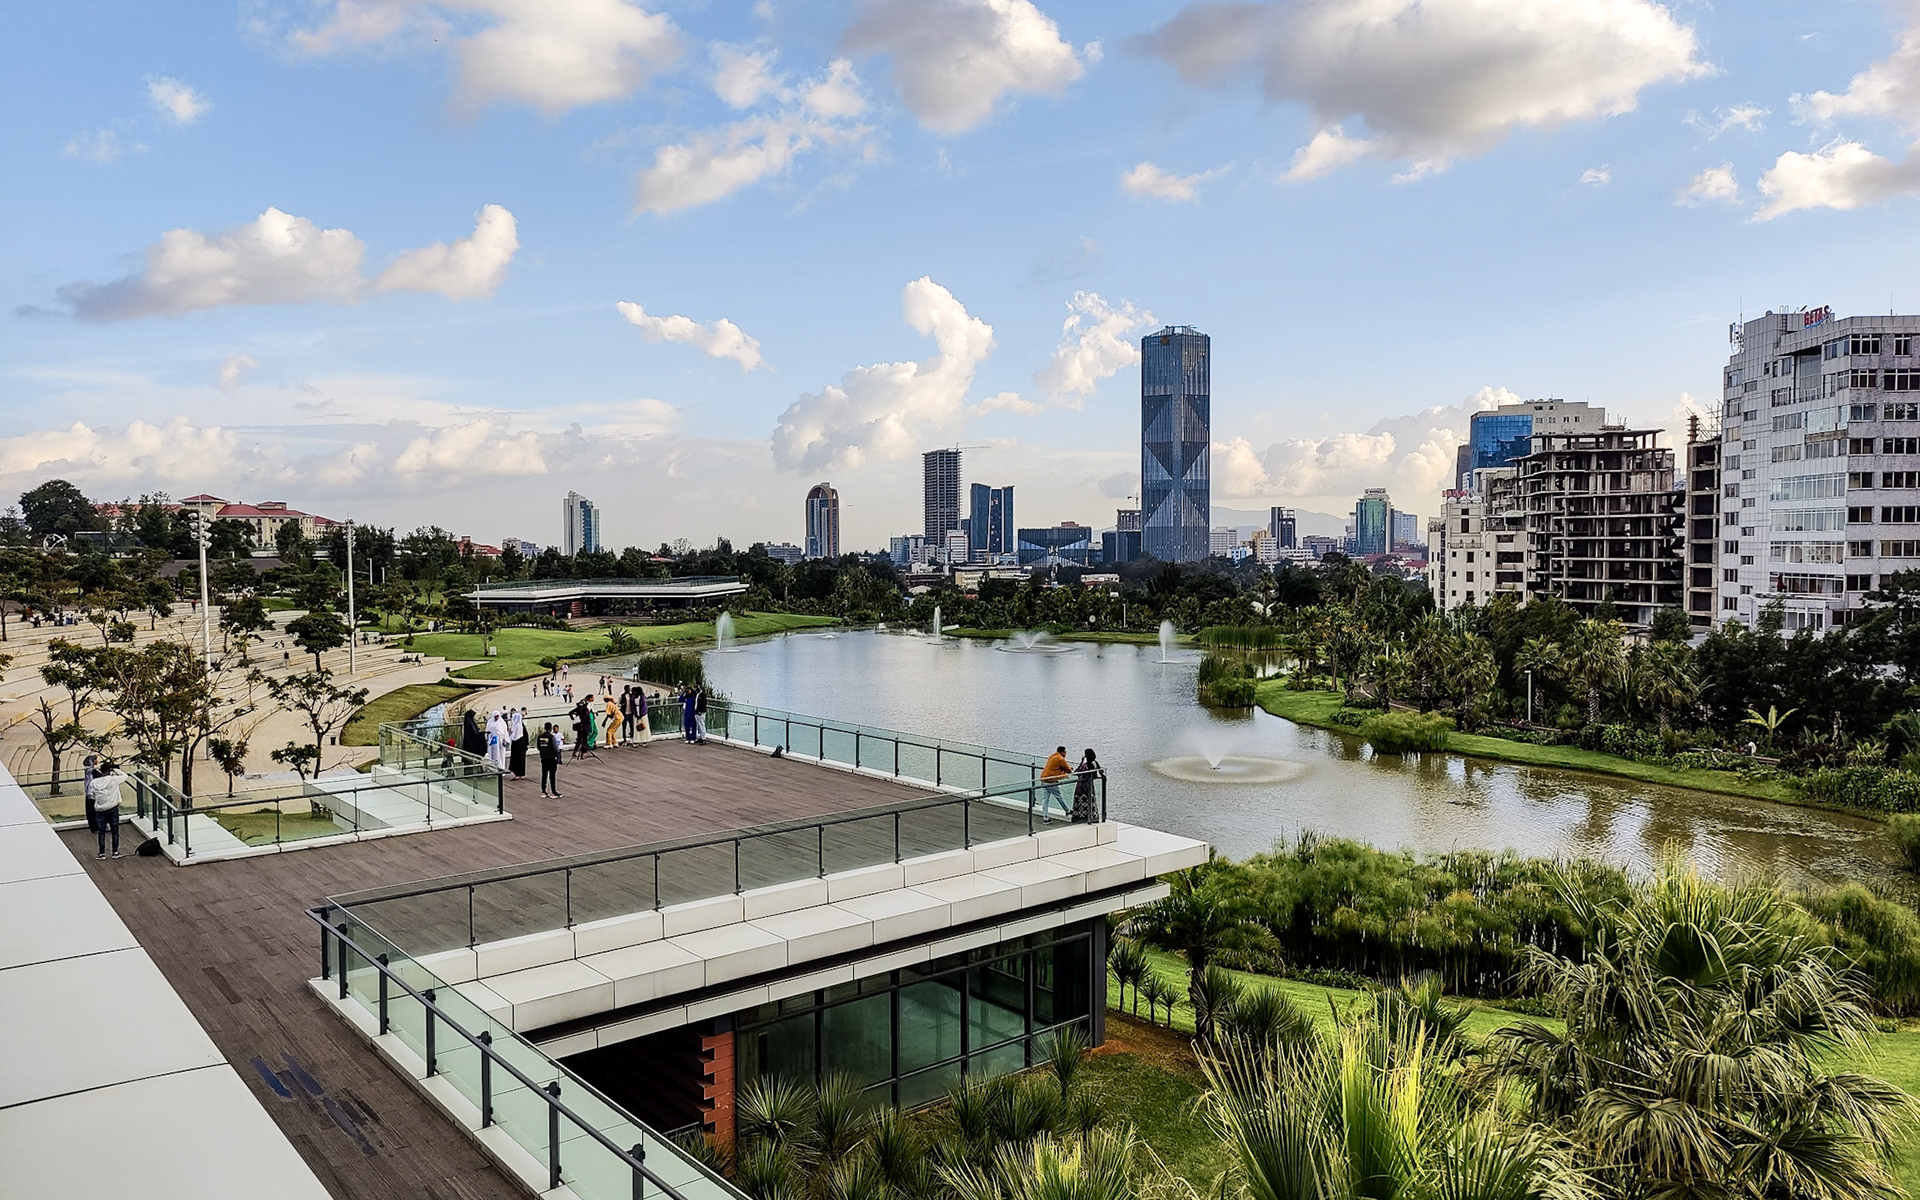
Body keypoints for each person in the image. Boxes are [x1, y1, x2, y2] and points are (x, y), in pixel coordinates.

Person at [89, 759, 129, 860]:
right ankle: (115, 852)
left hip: (100, 810)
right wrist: (115, 770)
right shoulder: (113, 780)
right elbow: (125, 776)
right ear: (109, 771)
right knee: (115, 831)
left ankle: (101, 853)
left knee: (101, 832)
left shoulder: (94, 782)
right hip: (112, 808)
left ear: (101, 771)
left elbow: (91, 795)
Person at [1039, 746, 1072, 824]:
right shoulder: (1060, 759)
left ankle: (1045, 817)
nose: (1066, 753)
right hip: (1051, 781)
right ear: (1062, 752)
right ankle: (1067, 810)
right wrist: (1068, 771)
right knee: (1058, 796)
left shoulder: (1052, 756)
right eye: (1065, 752)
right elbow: (1068, 769)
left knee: (1045, 799)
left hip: (1044, 779)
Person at [1072, 749, 1105, 823]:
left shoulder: (1085, 765)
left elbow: (1077, 772)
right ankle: (1092, 816)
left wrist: (1081, 761)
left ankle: (1080, 817)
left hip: (1082, 785)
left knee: (1080, 799)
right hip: (1090, 784)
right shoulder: (1095, 763)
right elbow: (1100, 771)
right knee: (1090, 799)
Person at [538, 722, 563, 797]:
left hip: (543, 758)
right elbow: (555, 748)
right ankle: (553, 792)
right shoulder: (552, 737)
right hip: (551, 758)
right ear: (551, 728)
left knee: (544, 775)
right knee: (552, 776)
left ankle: (543, 791)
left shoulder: (540, 737)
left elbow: (538, 747)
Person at [508, 707, 528, 779]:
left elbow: (514, 736)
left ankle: (518, 774)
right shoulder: (521, 726)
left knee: (517, 759)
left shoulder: (517, 726)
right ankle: (520, 774)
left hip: (517, 744)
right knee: (521, 759)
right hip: (522, 744)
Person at [81, 753, 99, 834]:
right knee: (93, 811)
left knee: (90, 811)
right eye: (95, 759)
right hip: (92, 794)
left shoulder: (88, 771)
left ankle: (94, 827)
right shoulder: (92, 771)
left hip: (89, 793)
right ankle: (96, 827)